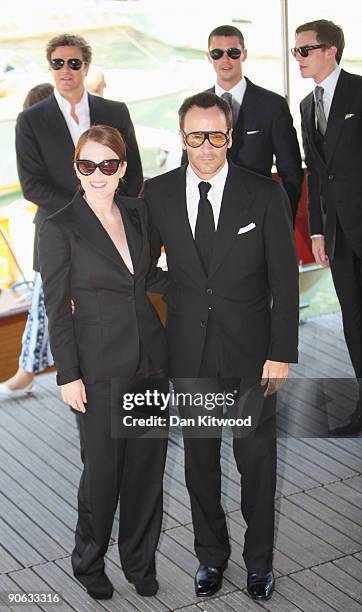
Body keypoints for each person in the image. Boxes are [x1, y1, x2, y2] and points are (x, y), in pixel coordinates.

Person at [144, 92, 299, 601]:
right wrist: (183, 291)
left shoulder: (263, 193)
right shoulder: (159, 193)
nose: (206, 146)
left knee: (256, 464)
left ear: (229, 136)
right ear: (182, 137)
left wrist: (281, 353)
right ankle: (210, 557)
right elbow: (143, 266)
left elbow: (285, 279)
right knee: (200, 463)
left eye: (215, 135)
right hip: (189, 350)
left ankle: (259, 563)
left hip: (252, 353)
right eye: (195, 135)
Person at [38, 125, 168, 600]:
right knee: (102, 473)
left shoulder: (137, 213)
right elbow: (57, 307)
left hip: (150, 361)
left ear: (122, 170)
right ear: (77, 169)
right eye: (88, 165)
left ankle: (139, 560)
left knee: (146, 468)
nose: (98, 173)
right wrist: (68, 374)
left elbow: (150, 276)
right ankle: (88, 561)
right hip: (96, 371)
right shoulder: (58, 227)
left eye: (107, 165)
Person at [0, 33, 143, 398]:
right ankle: (76, 389)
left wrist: (108, 212)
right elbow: (33, 184)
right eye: (58, 63)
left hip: (116, 233)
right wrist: (85, 214)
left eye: (74, 62)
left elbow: (134, 174)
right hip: (59, 234)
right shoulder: (30, 120)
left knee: (119, 311)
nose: (66, 69)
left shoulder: (115, 112)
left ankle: (132, 389)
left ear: (86, 66)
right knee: (58, 310)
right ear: (49, 67)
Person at [293, 19, 362, 436]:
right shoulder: (305, 106)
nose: (298, 58)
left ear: (330, 50)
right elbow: (316, 176)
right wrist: (317, 231)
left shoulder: (361, 91)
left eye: (305, 50)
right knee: (353, 323)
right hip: (337, 236)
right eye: (296, 52)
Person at [182, 24, 303, 225]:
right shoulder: (194, 107)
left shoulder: (272, 105)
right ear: (209, 56)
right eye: (217, 53)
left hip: (259, 216)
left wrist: (281, 219)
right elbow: (186, 165)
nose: (225, 60)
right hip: (207, 218)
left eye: (233, 52)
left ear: (244, 54)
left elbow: (291, 171)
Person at [0, 83, 55, 399]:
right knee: (42, 302)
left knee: (43, 303)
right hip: (51, 236)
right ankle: (26, 372)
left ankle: (26, 373)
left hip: (58, 236)